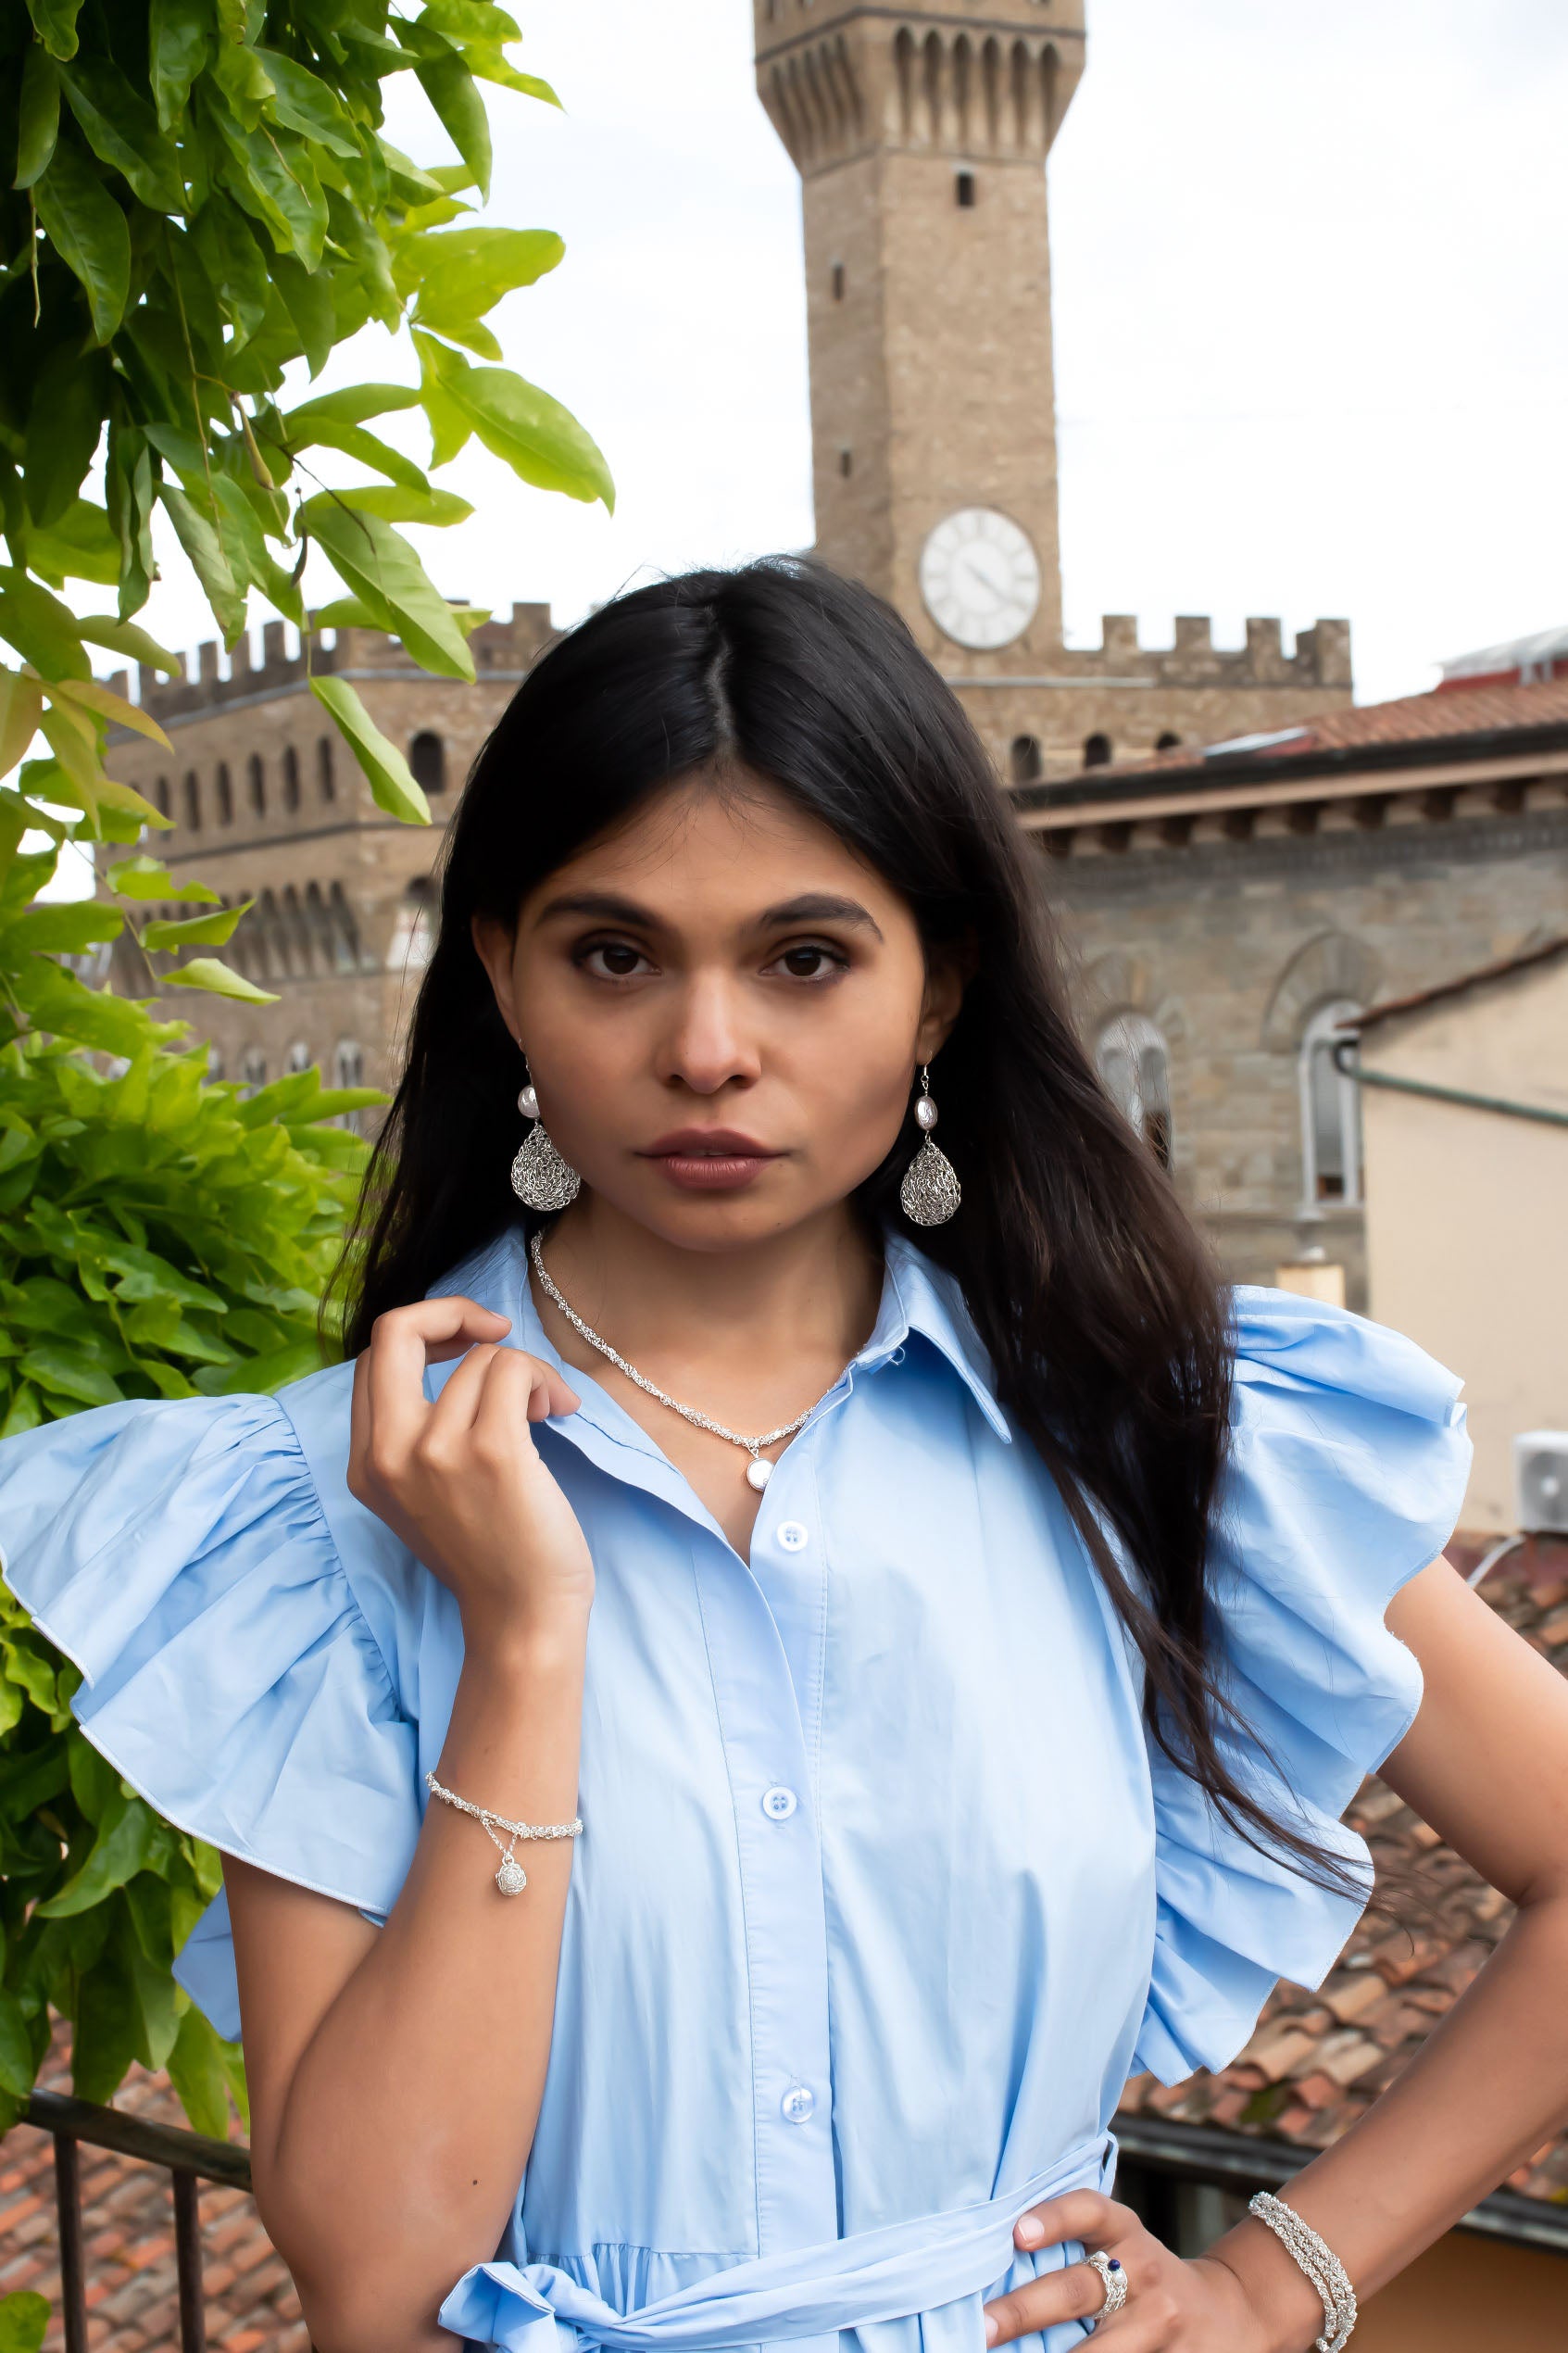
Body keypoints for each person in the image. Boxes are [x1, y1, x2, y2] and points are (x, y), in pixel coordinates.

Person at [3, 559, 1567, 2353]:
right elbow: (376, 2279)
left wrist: (1283, 2279)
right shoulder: (310, 1513)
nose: (708, 1051)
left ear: (940, 986)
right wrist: (521, 1641)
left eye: (805, 957)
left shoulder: (1162, 1426)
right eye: (615, 955)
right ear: (501, 973)